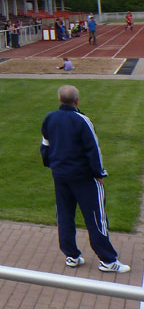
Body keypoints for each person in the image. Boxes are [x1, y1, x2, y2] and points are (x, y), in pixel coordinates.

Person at [41, 84, 129, 273]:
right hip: (83, 177)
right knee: (96, 217)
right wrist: (99, 174)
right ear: (77, 100)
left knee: (64, 215)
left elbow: (45, 145)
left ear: (59, 100)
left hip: (60, 175)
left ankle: (71, 256)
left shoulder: (50, 118)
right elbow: (93, 150)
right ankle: (108, 259)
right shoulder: (82, 120)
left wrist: (51, 164)